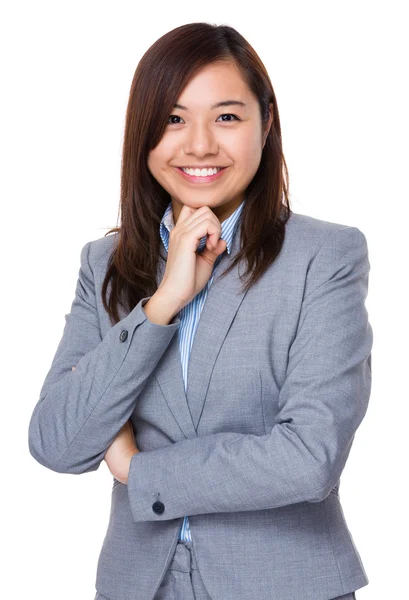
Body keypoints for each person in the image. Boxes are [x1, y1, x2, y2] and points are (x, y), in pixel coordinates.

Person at [28, 22, 372, 600]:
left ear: (267, 122)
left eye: (228, 117)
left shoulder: (325, 257)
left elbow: (309, 457)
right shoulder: (104, 264)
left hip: (286, 585)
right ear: (145, 134)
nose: (199, 145)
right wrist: (162, 304)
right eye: (173, 119)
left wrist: (140, 470)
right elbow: (58, 442)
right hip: (139, 586)